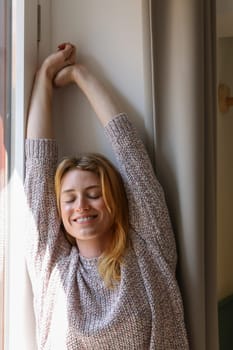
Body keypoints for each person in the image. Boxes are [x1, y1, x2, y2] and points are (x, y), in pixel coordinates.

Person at [25, 42, 189, 349]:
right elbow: (37, 170)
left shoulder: (148, 250)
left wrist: (80, 75)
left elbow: (131, 154)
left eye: (93, 193)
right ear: (59, 210)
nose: (81, 206)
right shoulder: (55, 269)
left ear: (114, 200)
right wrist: (43, 76)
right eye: (69, 198)